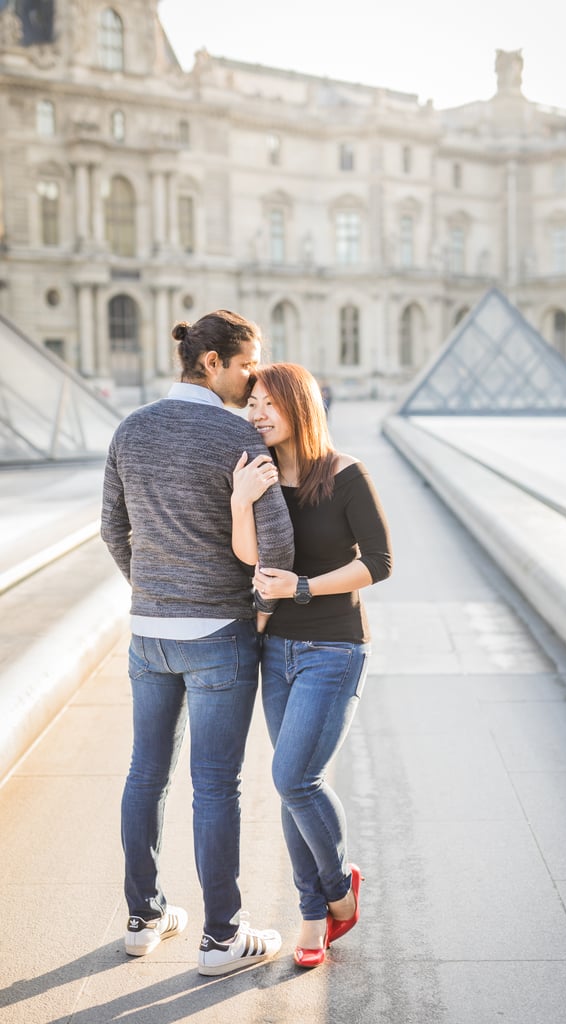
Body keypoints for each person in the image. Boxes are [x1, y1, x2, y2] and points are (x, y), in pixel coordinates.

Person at [100, 309, 295, 976]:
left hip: (149, 632)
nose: (252, 379)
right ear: (211, 362)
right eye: (246, 365)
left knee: (144, 773)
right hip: (218, 633)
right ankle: (221, 937)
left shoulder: (132, 429)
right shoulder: (237, 438)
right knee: (214, 787)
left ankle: (143, 916)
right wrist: (250, 602)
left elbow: (112, 528)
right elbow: (276, 547)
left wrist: (151, 589)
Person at [230, 363, 392, 968]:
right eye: (252, 405)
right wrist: (242, 501)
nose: (258, 414)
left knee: (296, 778)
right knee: (292, 786)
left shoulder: (348, 474)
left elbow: (379, 563)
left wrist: (302, 588)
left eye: (269, 403)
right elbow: (248, 556)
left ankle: (333, 891)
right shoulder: (259, 474)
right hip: (276, 651)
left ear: (301, 405)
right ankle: (314, 911)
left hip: (335, 648)